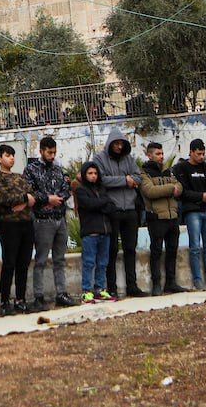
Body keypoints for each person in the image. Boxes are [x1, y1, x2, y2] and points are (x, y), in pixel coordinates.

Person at [93, 129, 146, 298]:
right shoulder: (99, 159)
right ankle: (112, 286)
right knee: (112, 250)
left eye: (121, 144)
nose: (118, 146)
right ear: (110, 144)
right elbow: (102, 179)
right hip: (112, 209)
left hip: (130, 209)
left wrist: (130, 179)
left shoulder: (129, 159)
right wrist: (125, 180)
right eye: (116, 144)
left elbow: (138, 177)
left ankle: (132, 285)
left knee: (130, 249)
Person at [26, 137, 73, 310]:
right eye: (49, 152)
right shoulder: (31, 170)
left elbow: (66, 189)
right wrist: (47, 199)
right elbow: (29, 191)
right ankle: (39, 296)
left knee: (59, 259)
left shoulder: (59, 170)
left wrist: (57, 200)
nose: (52, 156)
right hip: (42, 220)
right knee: (41, 260)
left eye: (54, 152)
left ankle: (61, 293)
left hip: (60, 218)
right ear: (41, 151)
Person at [172, 139, 206, 290]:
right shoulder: (182, 168)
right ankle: (197, 279)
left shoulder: (205, 168)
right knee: (195, 247)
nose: (202, 157)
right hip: (192, 212)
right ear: (191, 152)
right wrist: (200, 196)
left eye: (203, 154)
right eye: (199, 154)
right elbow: (184, 192)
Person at [0, 144, 34, 315]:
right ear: (0, 158)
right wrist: (24, 198)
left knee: (24, 263)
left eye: (13, 155)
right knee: (9, 263)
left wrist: (23, 201)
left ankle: (20, 299)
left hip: (26, 223)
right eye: (8, 155)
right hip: (9, 224)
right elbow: (3, 198)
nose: (11, 158)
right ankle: (4, 299)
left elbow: (33, 195)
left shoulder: (20, 177)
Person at [139, 142, 186, 295]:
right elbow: (150, 191)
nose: (161, 157)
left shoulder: (167, 171)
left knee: (172, 250)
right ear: (149, 155)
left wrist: (174, 188)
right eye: (158, 154)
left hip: (172, 216)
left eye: (162, 153)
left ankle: (171, 283)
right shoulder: (144, 173)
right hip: (156, 217)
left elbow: (180, 186)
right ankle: (156, 284)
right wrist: (171, 188)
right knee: (156, 252)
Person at [76, 163, 115, 304]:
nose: (93, 176)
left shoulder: (102, 189)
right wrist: (102, 203)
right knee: (89, 262)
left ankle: (100, 289)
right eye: (90, 173)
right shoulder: (81, 190)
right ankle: (87, 291)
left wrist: (100, 203)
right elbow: (89, 205)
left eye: (95, 173)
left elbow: (111, 206)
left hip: (105, 231)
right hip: (90, 232)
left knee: (103, 262)